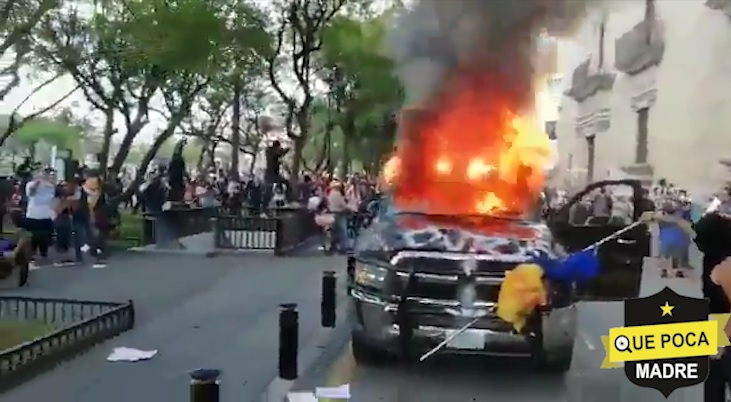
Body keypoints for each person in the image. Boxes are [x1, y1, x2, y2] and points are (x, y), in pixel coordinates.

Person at [694, 211, 731, 401]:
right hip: (715, 323)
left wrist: (721, 339)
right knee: (712, 383)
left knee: (716, 380)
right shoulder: (714, 254)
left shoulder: (724, 263)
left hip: (724, 328)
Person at [23, 169, 56, 266]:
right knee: (32, 237)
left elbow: (50, 199)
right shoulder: (30, 185)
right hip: (33, 215)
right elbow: (31, 193)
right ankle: (31, 255)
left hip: (45, 214)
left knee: (45, 237)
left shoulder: (50, 186)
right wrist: (37, 183)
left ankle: (43, 254)